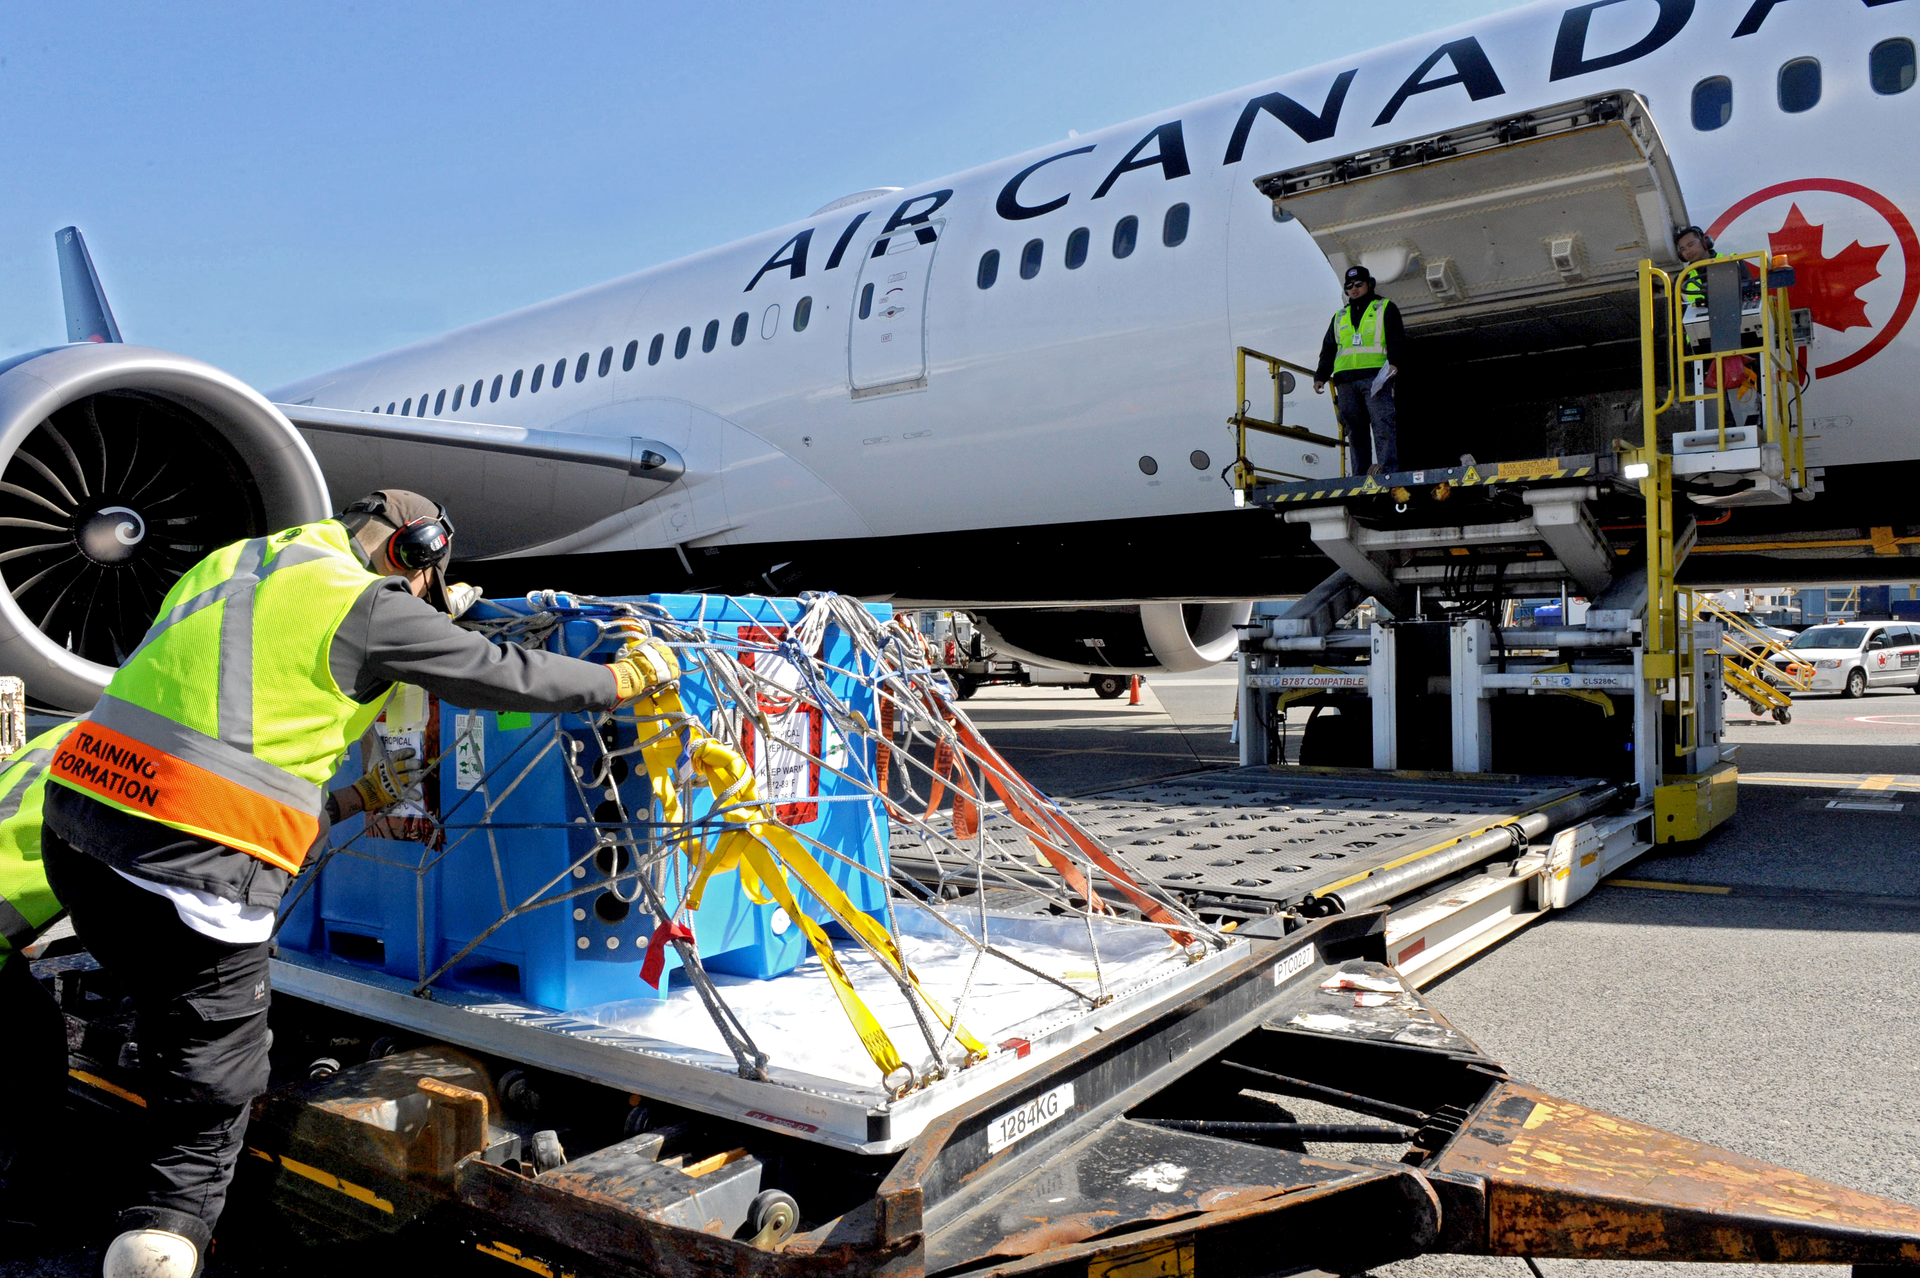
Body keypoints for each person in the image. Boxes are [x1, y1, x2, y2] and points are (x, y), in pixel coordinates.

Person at [40, 490, 667, 1278]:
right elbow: (498, 673)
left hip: (78, 832)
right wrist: (622, 680)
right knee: (209, 1096)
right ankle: (163, 1243)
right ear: (411, 553)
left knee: (169, 1007)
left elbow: (235, 721)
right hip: (192, 869)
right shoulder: (367, 605)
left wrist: (350, 801)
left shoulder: (232, 563)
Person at [1313, 265, 1407, 477]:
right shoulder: (1339, 317)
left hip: (1376, 378)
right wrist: (1320, 376)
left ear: (1369, 284)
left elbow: (1396, 339)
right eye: (1349, 287)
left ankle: (1388, 470)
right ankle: (1360, 474)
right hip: (1346, 382)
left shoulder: (1384, 308)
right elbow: (1328, 349)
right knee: (1355, 430)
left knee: (1382, 424)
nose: (1354, 290)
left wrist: (1395, 363)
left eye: (1358, 284)